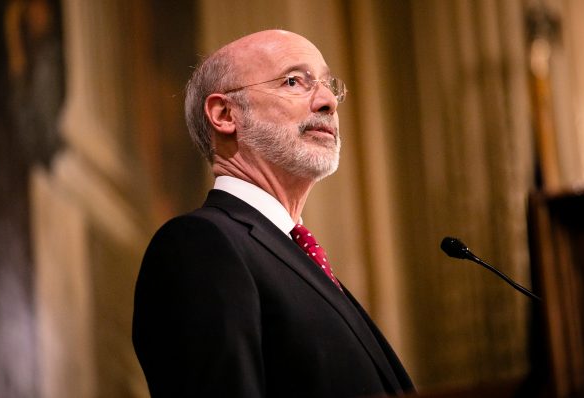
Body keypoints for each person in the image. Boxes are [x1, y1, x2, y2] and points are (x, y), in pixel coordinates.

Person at [132, 29, 414, 397]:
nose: (329, 101)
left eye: (329, 86)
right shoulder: (200, 246)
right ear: (225, 114)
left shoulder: (297, 257)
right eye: (295, 81)